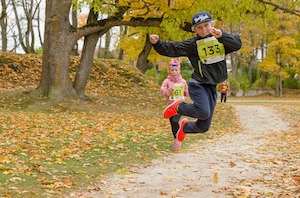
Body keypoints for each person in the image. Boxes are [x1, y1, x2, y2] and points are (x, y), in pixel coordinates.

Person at [149, 11, 241, 146]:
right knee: (203, 112)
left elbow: (237, 44)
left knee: (204, 126)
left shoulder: (220, 39)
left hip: (211, 86)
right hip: (198, 84)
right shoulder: (193, 44)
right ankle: (178, 107)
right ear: (195, 30)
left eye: (206, 25)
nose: (204, 29)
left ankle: (184, 128)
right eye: (199, 27)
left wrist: (221, 35)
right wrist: (158, 43)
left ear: (212, 24)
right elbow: (173, 48)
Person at [160, 59, 189, 149]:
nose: (174, 72)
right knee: (173, 123)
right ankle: (176, 139)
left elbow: (187, 93)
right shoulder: (167, 81)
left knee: (175, 121)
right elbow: (163, 91)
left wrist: (186, 91)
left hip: (180, 105)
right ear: (169, 71)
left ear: (179, 70)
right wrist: (169, 90)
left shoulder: (183, 81)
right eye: (172, 70)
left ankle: (178, 139)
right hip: (170, 106)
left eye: (176, 70)